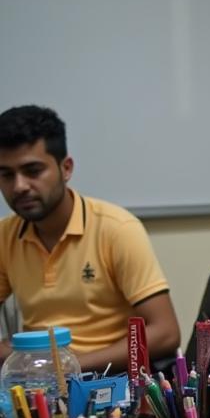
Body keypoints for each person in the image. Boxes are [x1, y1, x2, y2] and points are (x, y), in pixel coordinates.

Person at [0, 105, 180, 372]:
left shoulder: (117, 229)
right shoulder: (6, 235)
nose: (19, 186)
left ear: (66, 168)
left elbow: (165, 332)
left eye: (33, 171)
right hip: (37, 384)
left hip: (110, 381)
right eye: (6, 175)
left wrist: (68, 367)